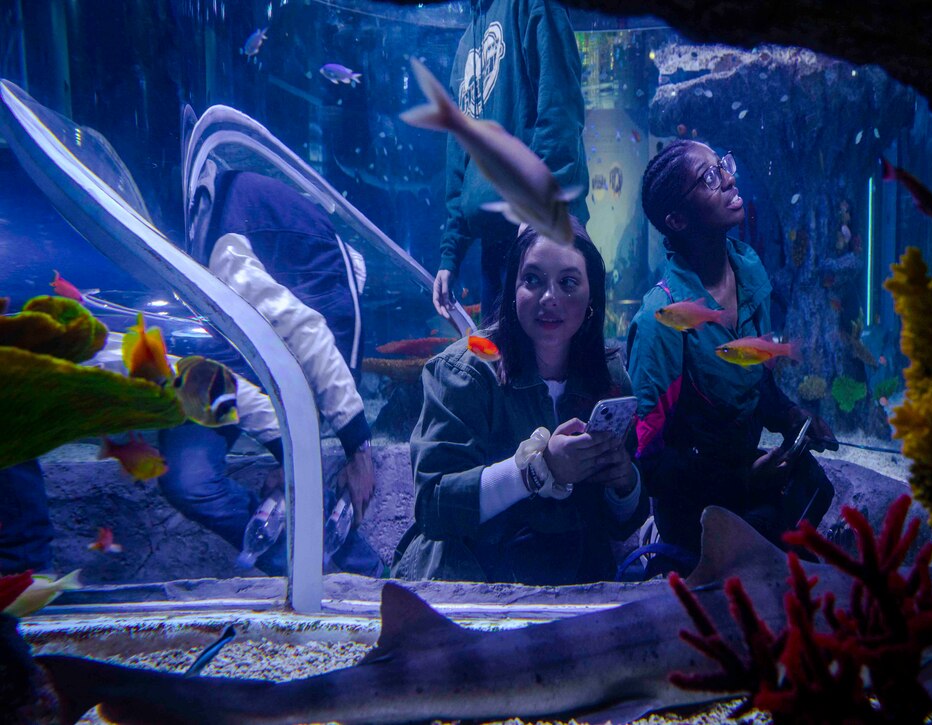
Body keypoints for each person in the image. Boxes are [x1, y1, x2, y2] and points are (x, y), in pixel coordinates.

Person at [394, 218, 648, 584]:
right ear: (512, 287)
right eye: (533, 279)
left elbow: (622, 523)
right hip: (468, 583)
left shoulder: (608, 378)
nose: (550, 298)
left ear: (592, 295)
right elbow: (433, 507)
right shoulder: (464, 373)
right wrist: (537, 471)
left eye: (568, 282)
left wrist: (624, 482)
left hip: (573, 585)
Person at [158, 166, 383, 576]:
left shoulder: (229, 253)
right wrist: (288, 449)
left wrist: (357, 449)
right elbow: (204, 375)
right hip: (214, 341)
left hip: (271, 321)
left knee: (205, 474)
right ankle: (302, 562)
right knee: (187, 478)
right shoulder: (187, 237)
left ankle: (360, 574)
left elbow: (308, 332)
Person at [627, 140, 838, 576]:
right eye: (708, 178)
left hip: (744, 475)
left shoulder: (748, 272)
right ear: (677, 220)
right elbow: (651, 461)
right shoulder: (661, 319)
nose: (728, 178)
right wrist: (742, 480)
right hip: (696, 509)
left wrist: (793, 417)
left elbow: (755, 382)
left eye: (722, 165)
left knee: (816, 487)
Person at [431, 0, 589, 324]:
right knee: (503, 369)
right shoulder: (465, 45)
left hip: (545, 234)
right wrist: (451, 255)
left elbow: (559, 108)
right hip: (494, 247)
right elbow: (459, 159)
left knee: (551, 371)